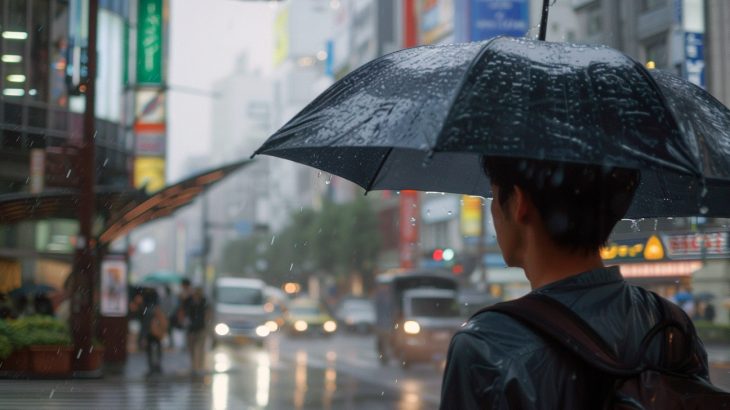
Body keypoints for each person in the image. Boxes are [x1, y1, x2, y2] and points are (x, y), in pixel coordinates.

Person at [440, 157, 710, 409]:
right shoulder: (669, 325)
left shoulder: (486, 346)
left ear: (519, 203)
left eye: (495, 197)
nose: (493, 212)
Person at [142, 289, 168, 375]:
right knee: (158, 349)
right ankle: (157, 366)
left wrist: (144, 336)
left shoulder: (147, 309)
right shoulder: (158, 307)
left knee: (150, 350)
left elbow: (145, 323)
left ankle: (152, 367)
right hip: (157, 331)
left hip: (151, 331)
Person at [184, 287, 209, 377]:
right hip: (192, 329)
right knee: (192, 349)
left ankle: (199, 367)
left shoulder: (203, 302)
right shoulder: (189, 302)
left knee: (199, 349)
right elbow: (186, 312)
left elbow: (206, 314)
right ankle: (194, 367)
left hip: (200, 328)